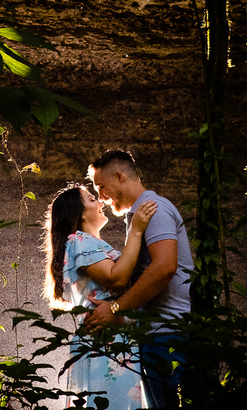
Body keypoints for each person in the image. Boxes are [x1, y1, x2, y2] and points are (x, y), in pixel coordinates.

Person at [82, 150, 193, 408]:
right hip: (155, 336)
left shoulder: (155, 209)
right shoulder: (139, 216)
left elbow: (165, 268)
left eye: (101, 187)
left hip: (166, 336)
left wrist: (115, 308)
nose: (100, 197)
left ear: (120, 177)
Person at [44, 183, 159, 409]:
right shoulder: (79, 240)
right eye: (90, 199)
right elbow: (117, 278)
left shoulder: (90, 244)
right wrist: (136, 230)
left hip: (112, 338)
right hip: (106, 340)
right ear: (79, 214)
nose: (99, 202)